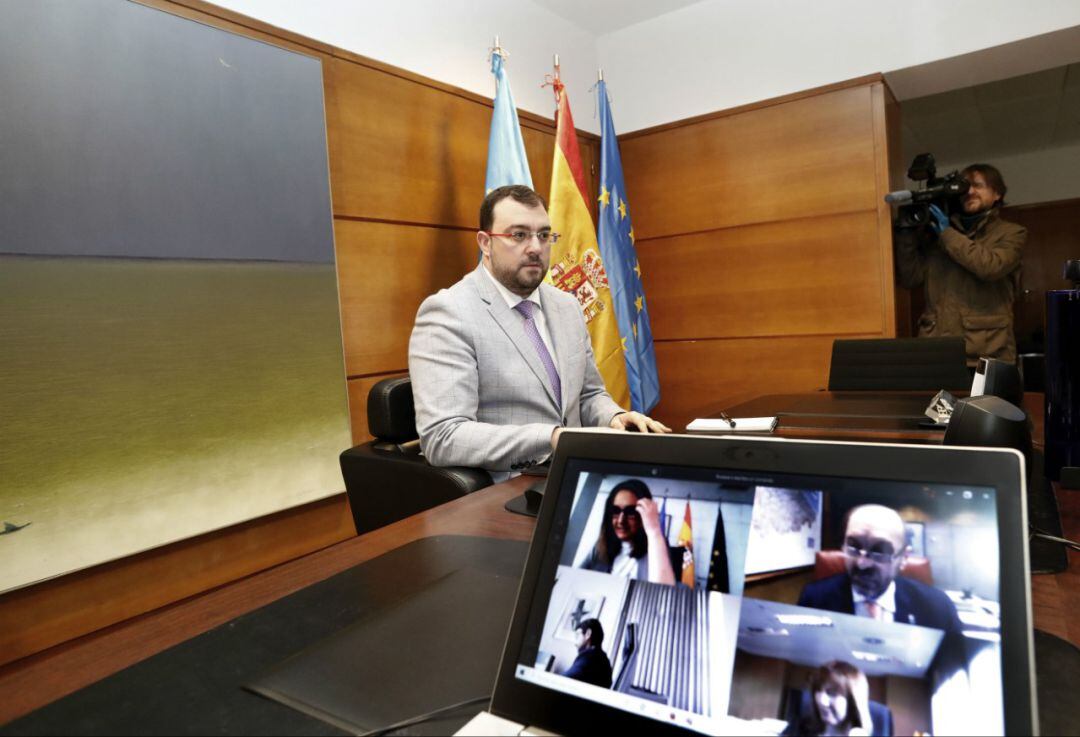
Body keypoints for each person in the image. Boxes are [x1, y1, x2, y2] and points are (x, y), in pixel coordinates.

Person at [408, 185, 670, 481]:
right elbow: (444, 437)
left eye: (544, 235)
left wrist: (614, 417)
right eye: (518, 235)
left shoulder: (567, 305)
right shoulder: (449, 312)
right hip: (503, 496)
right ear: (484, 242)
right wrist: (553, 437)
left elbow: (588, 395)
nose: (535, 247)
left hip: (577, 478)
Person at [895, 163, 1027, 366]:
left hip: (987, 354)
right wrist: (906, 234)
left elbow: (990, 267)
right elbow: (910, 279)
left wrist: (947, 234)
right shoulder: (935, 235)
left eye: (978, 185)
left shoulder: (1012, 233)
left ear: (997, 194)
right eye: (965, 188)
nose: (970, 192)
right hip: (936, 351)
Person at [797, 504, 961, 633]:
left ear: (903, 558)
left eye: (880, 550)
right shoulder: (814, 599)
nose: (862, 563)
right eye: (853, 546)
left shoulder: (938, 608)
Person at [580, 479, 676, 585]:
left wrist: (654, 531)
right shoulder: (600, 546)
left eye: (630, 512)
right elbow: (576, 578)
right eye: (615, 511)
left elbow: (662, 592)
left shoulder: (657, 546)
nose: (621, 520)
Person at [784, 661, 873, 737]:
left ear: (853, 701)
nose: (821, 701)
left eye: (832, 693)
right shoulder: (798, 728)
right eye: (818, 690)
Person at [562, 618, 613, 688]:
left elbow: (564, 680)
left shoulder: (590, 657)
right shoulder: (602, 657)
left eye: (577, 635)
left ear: (588, 634)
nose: (574, 642)